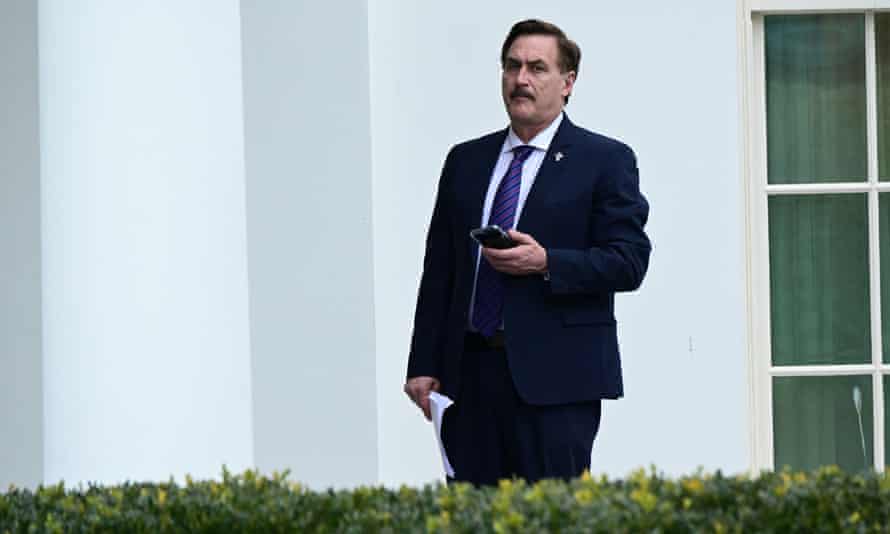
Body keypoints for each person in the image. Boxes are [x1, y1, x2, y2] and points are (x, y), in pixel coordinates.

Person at [404, 19, 650, 486]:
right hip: (469, 378)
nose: (522, 79)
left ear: (568, 82)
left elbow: (630, 260)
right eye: (512, 66)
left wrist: (548, 263)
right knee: (473, 516)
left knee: (549, 517)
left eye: (538, 68)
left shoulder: (604, 160)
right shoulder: (466, 161)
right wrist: (423, 364)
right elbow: (440, 270)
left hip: (556, 383)